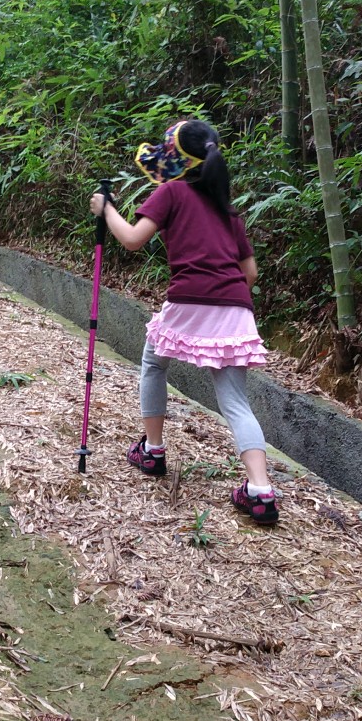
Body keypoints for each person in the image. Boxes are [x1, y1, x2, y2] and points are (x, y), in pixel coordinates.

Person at [89, 119, 279, 525]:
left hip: (190, 299)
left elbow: (133, 238)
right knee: (234, 400)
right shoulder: (227, 210)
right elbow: (251, 273)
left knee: (154, 363)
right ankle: (261, 491)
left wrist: (106, 209)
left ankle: (153, 450)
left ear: (176, 162)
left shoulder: (171, 191)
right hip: (236, 306)